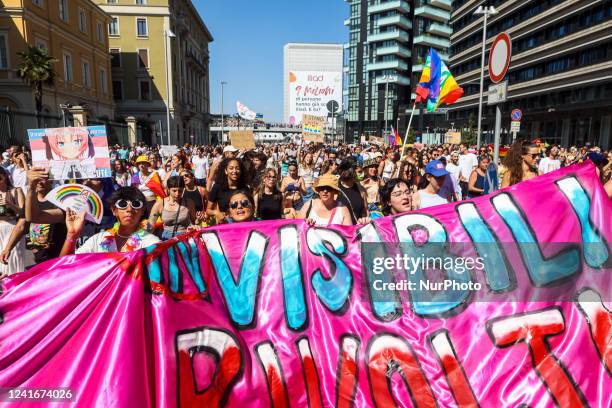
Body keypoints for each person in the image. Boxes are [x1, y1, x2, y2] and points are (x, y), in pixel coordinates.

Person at [61, 186, 159, 255]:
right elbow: (66, 266)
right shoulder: (98, 240)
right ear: (114, 210)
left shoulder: (151, 243)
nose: (129, 209)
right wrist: (72, 234)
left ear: (142, 211)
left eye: (136, 204)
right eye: (122, 204)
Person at [0, 167, 26, 277]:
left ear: (4, 176)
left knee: (14, 259)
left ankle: (16, 287)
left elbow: (24, 212)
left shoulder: (16, 190)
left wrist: (9, 204)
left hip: (14, 229)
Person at [206, 157, 250, 223]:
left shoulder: (245, 189)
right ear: (226, 171)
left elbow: (250, 208)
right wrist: (216, 213)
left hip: (242, 223)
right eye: (231, 168)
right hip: (225, 224)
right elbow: (208, 210)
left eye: (237, 168)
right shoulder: (217, 187)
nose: (234, 171)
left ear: (241, 171)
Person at [337, 159, 369, 224]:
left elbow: (365, 211)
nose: (362, 174)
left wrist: (365, 222)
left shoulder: (361, 189)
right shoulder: (335, 188)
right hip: (340, 230)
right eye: (359, 172)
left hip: (357, 229)